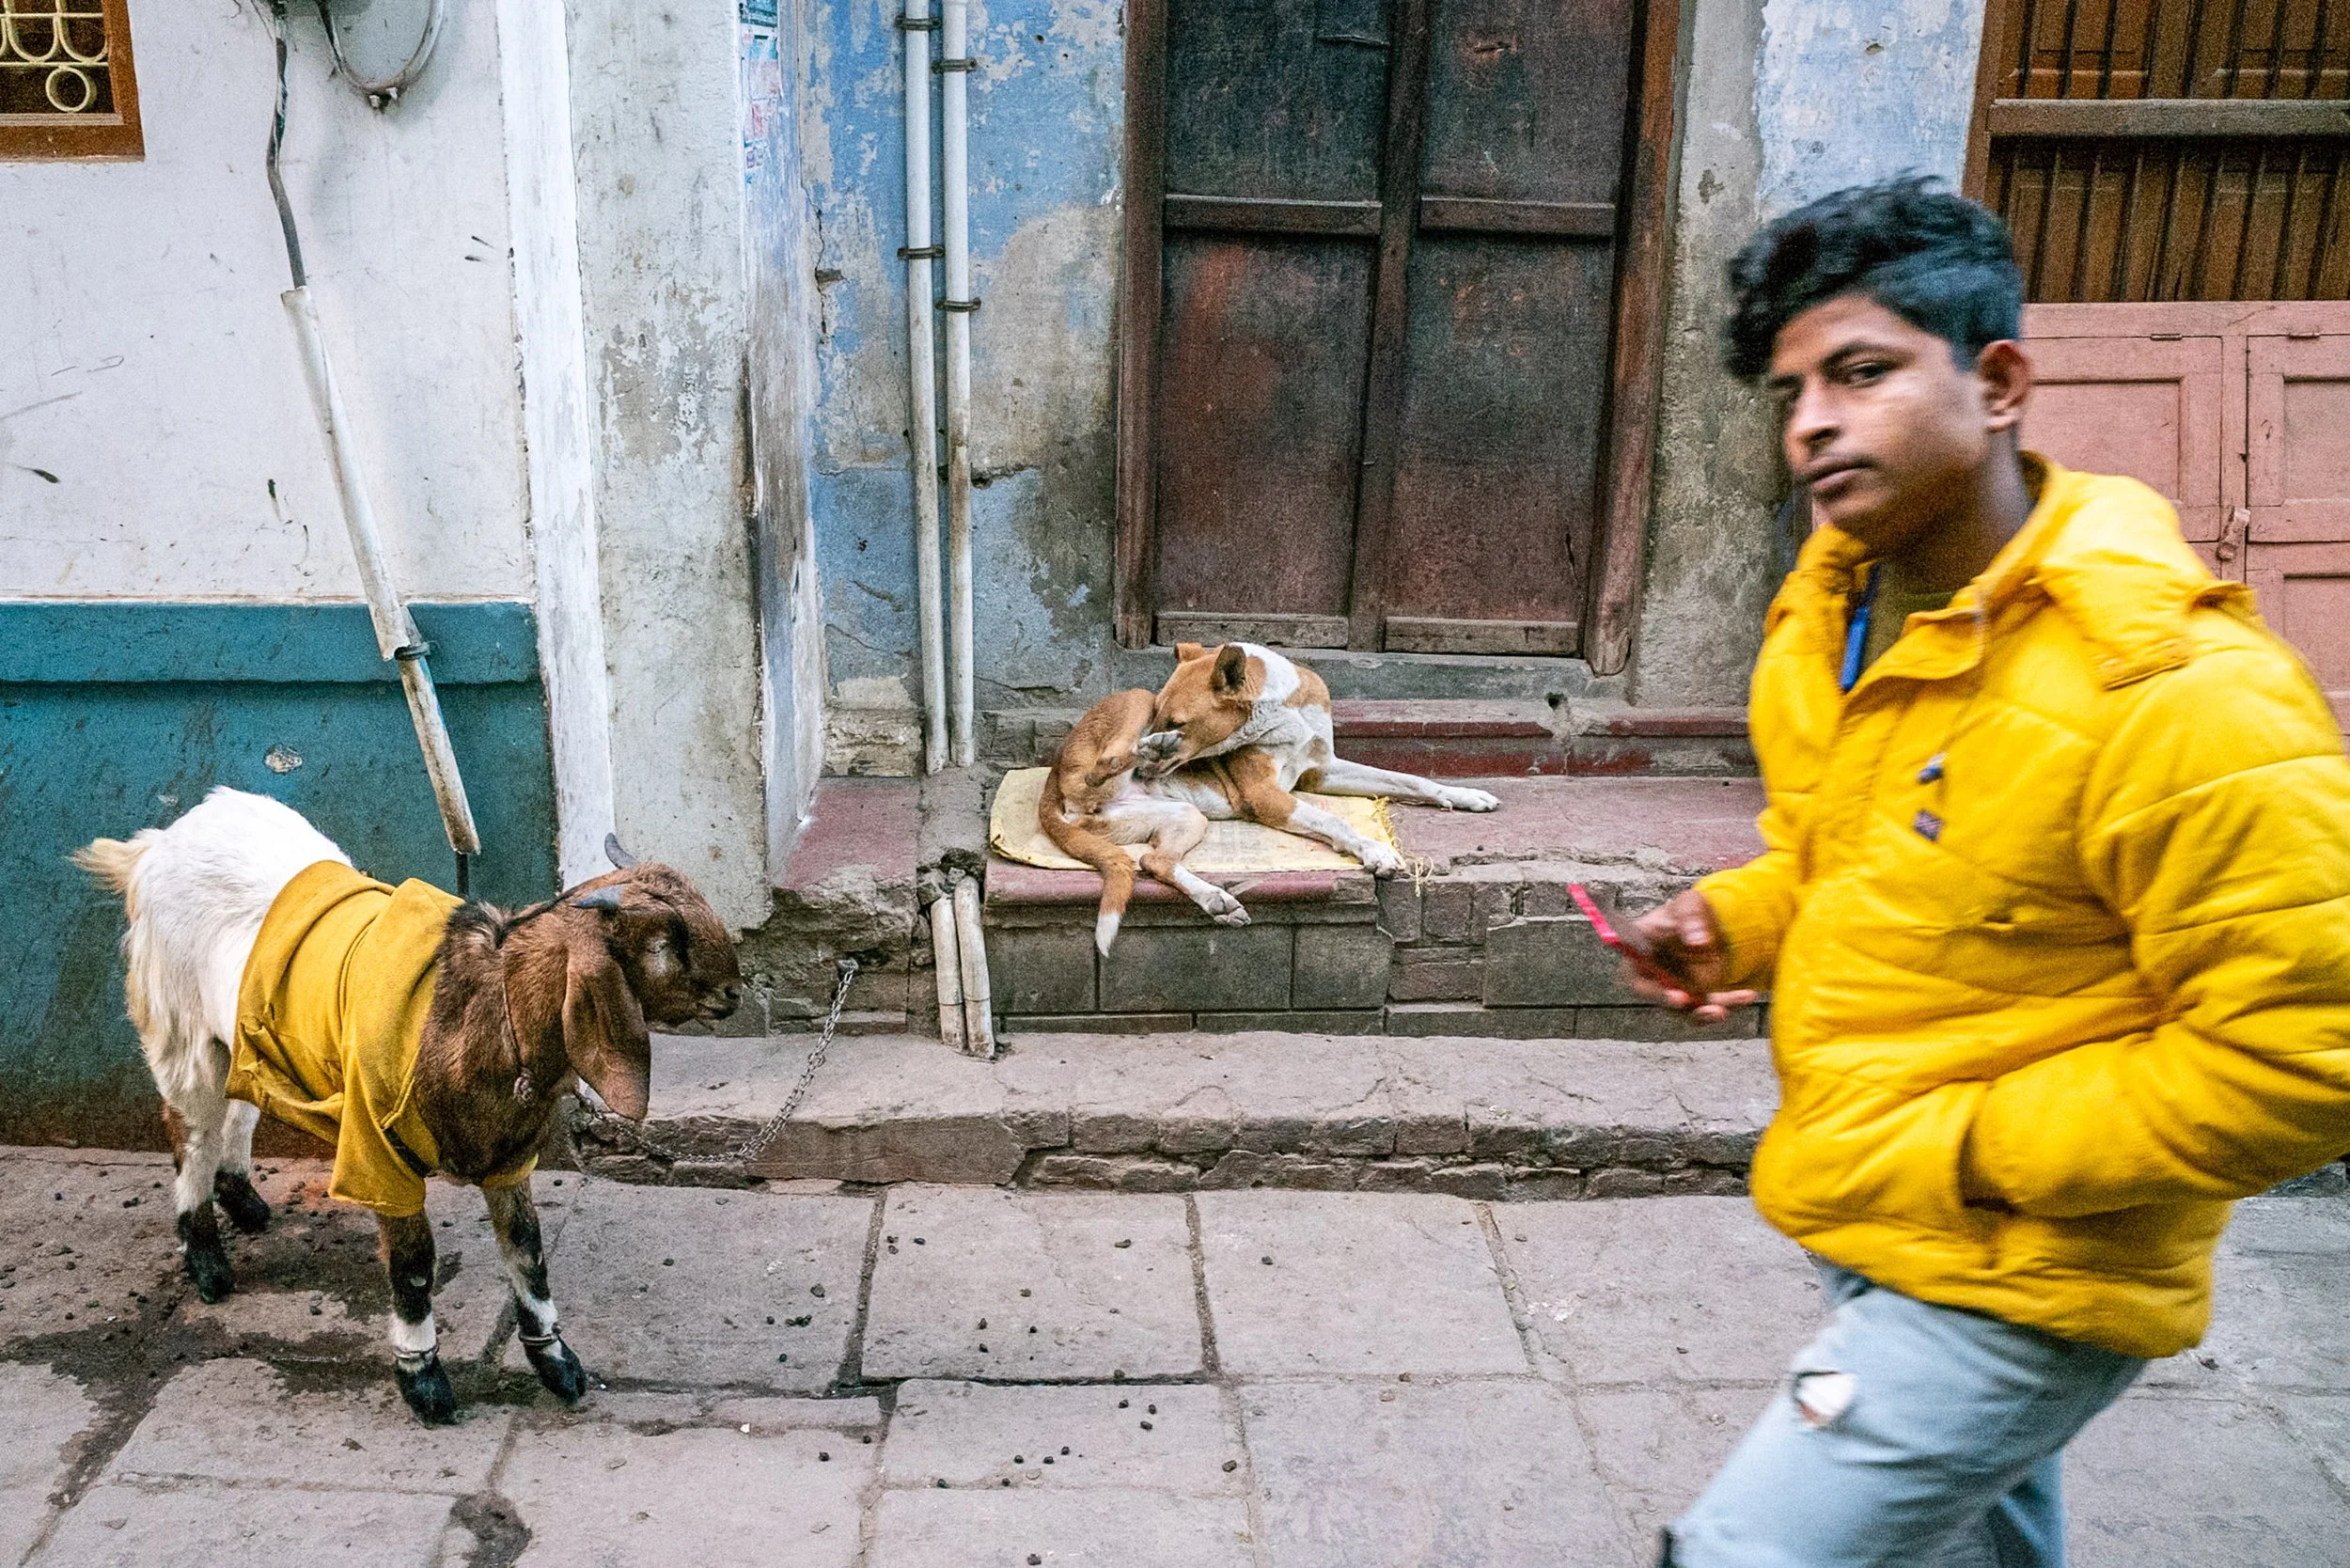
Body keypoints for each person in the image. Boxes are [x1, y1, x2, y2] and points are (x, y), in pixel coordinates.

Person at [1628, 176, 2350, 1567]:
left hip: (2023, 1270)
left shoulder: (2177, 689)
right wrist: (1736, 923)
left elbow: (2311, 1054)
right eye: (1794, 394)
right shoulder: (1831, 614)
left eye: (1862, 372)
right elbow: (1839, 852)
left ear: (2000, 380)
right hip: (1886, 1223)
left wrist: (1971, 1153)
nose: (1814, 427)